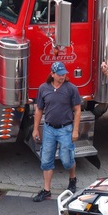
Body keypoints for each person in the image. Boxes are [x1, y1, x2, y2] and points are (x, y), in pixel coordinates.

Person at [32, 62, 82, 202]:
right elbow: (39, 110)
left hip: (65, 129)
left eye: (64, 74)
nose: (63, 76)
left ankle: (72, 179)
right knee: (46, 159)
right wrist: (36, 128)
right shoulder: (43, 88)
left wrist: (75, 130)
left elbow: (77, 110)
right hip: (48, 129)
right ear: (52, 74)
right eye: (60, 74)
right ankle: (46, 190)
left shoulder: (71, 89)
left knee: (67, 160)